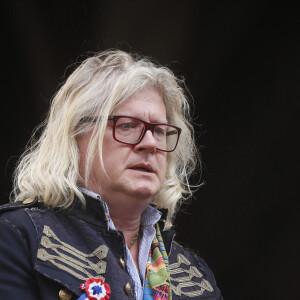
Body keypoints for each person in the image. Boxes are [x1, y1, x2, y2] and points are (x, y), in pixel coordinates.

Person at [0, 50, 223, 300]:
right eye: (127, 125)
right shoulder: (16, 236)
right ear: (76, 135)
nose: (150, 143)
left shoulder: (195, 276)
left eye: (160, 130)